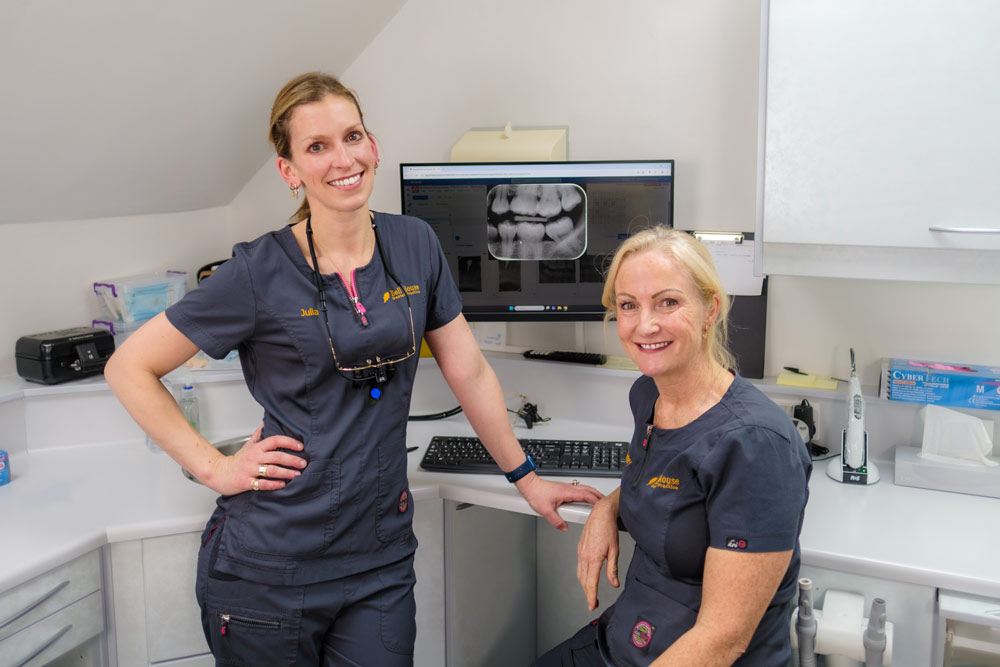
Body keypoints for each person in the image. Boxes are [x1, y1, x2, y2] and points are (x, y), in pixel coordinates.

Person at [104, 71, 601, 667]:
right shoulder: (257, 272)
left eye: (353, 136)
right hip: (271, 567)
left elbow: (469, 374)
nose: (343, 159)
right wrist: (214, 467)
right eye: (316, 147)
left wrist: (527, 477)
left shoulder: (415, 243)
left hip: (379, 563)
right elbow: (129, 367)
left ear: (373, 145)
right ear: (290, 170)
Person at [533, 227, 812, 666]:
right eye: (629, 306)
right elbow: (673, 487)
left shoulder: (757, 445)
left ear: (709, 309)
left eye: (668, 302)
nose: (645, 325)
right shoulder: (648, 396)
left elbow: (722, 640)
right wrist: (609, 506)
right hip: (627, 639)